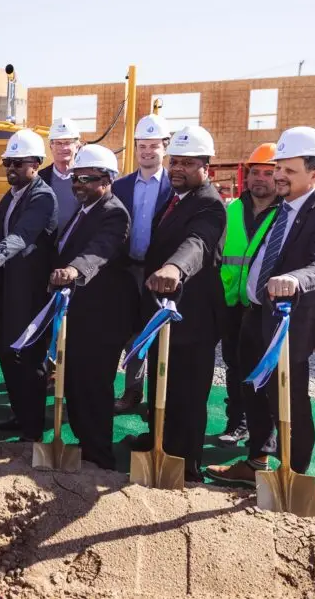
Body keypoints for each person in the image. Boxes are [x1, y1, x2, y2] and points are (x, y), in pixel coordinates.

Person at [206, 127, 315, 485]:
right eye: (278, 167)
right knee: (252, 391)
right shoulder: (283, 206)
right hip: (255, 316)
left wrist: (296, 280)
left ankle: (292, 476)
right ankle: (256, 464)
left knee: (289, 400)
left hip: (286, 324)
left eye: (289, 170)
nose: (279, 175)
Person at [128, 125, 226, 482]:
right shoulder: (176, 198)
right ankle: (159, 439)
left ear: (206, 167)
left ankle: (186, 461)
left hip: (192, 318)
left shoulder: (210, 205)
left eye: (188, 162)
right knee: (161, 381)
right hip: (163, 314)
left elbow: (198, 243)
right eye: (176, 161)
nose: (178, 168)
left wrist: (174, 268)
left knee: (187, 392)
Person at [44, 144, 134, 469]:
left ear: (108, 179)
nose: (78, 184)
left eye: (87, 178)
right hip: (79, 316)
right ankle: (84, 446)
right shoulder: (84, 211)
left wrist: (74, 270)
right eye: (75, 178)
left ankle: (100, 456)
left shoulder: (113, 212)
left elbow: (100, 250)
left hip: (103, 319)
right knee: (77, 385)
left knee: (94, 389)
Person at [0, 129, 57, 441]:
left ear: (37, 163)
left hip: (31, 294)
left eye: (19, 163)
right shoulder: (11, 196)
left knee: (29, 359)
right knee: (6, 352)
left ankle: (32, 428)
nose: (11, 169)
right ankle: (20, 414)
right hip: (8, 291)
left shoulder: (42, 197)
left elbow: (21, 237)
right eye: (8, 162)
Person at [216, 143, 280, 445]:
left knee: (263, 372)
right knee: (234, 366)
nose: (260, 179)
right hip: (232, 303)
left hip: (264, 307)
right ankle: (237, 423)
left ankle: (265, 436)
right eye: (255, 172)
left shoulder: (284, 213)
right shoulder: (234, 209)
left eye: (268, 173)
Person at [112, 113, 174, 414]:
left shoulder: (176, 189)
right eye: (142, 146)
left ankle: (157, 399)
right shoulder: (121, 187)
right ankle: (131, 392)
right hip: (126, 270)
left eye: (153, 146)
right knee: (128, 332)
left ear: (165, 146)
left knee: (159, 335)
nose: (147, 152)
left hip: (162, 275)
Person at [38, 117, 82, 231]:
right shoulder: (40, 179)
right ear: (51, 146)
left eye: (68, 142)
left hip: (78, 245)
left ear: (77, 146)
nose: (63, 148)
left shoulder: (87, 178)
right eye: (58, 143)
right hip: (47, 245)